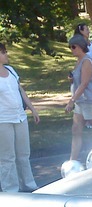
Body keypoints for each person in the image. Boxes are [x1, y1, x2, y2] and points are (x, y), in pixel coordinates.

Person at [0, 42, 39, 192]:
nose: (6, 55)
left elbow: (21, 91)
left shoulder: (11, 70)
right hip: (3, 120)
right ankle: (10, 189)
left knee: (23, 153)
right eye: (3, 52)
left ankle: (29, 184)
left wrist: (32, 109)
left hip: (20, 117)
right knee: (7, 157)